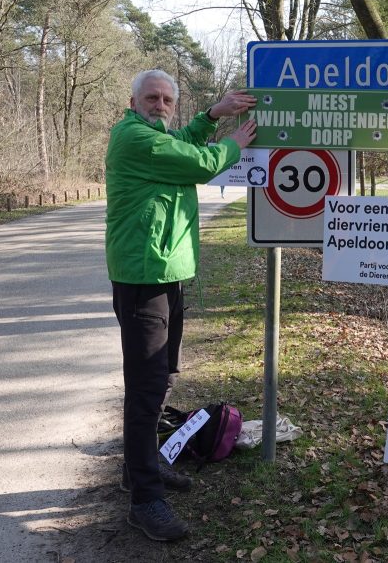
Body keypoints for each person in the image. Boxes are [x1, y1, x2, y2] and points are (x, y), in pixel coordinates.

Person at [105, 70, 257, 541]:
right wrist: (233, 143)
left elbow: (182, 141)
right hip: (142, 279)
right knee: (145, 390)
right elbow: (200, 162)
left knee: (165, 375)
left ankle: (140, 468)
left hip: (166, 273)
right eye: (152, 97)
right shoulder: (134, 138)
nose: (160, 105)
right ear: (133, 101)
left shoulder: (155, 135)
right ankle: (144, 500)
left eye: (167, 99)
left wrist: (210, 114)